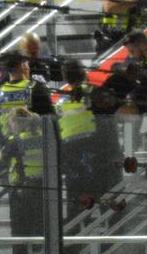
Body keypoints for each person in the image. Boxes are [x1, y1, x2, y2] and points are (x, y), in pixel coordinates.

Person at [56, 60, 122, 228]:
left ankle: (76, 243)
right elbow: (111, 118)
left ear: (65, 77)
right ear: (84, 73)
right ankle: (113, 239)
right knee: (109, 201)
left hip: (73, 160)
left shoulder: (60, 101)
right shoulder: (96, 92)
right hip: (100, 156)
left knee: (78, 206)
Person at [0, 106, 44, 254]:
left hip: (20, 190)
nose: (11, 126)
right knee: (40, 230)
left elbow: (1, 160)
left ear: (17, 123)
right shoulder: (44, 137)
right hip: (42, 188)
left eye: (12, 123)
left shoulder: (15, 141)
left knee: (19, 233)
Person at [0, 53, 54, 138]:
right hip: (36, 145)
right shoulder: (37, 89)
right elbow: (51, 122)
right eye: (27, 64)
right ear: (22, 66)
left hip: (8, 147)